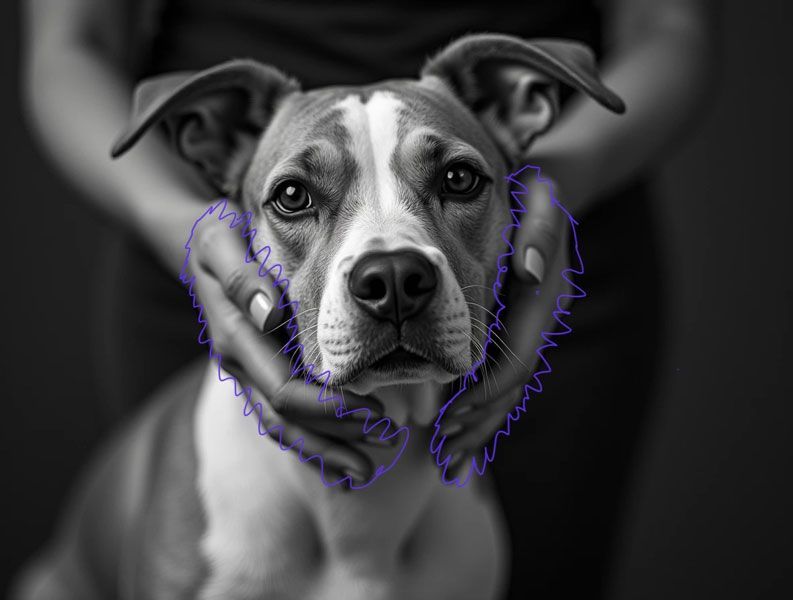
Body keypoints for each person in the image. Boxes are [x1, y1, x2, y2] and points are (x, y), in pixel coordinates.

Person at [22, 0, 716, 596]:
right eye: (296, 196)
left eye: (456, 181)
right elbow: (69, 44)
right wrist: (172, 218)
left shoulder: (469, 545)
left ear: (521, 104)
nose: (388, 271)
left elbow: (669, 24)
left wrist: (569, 168)